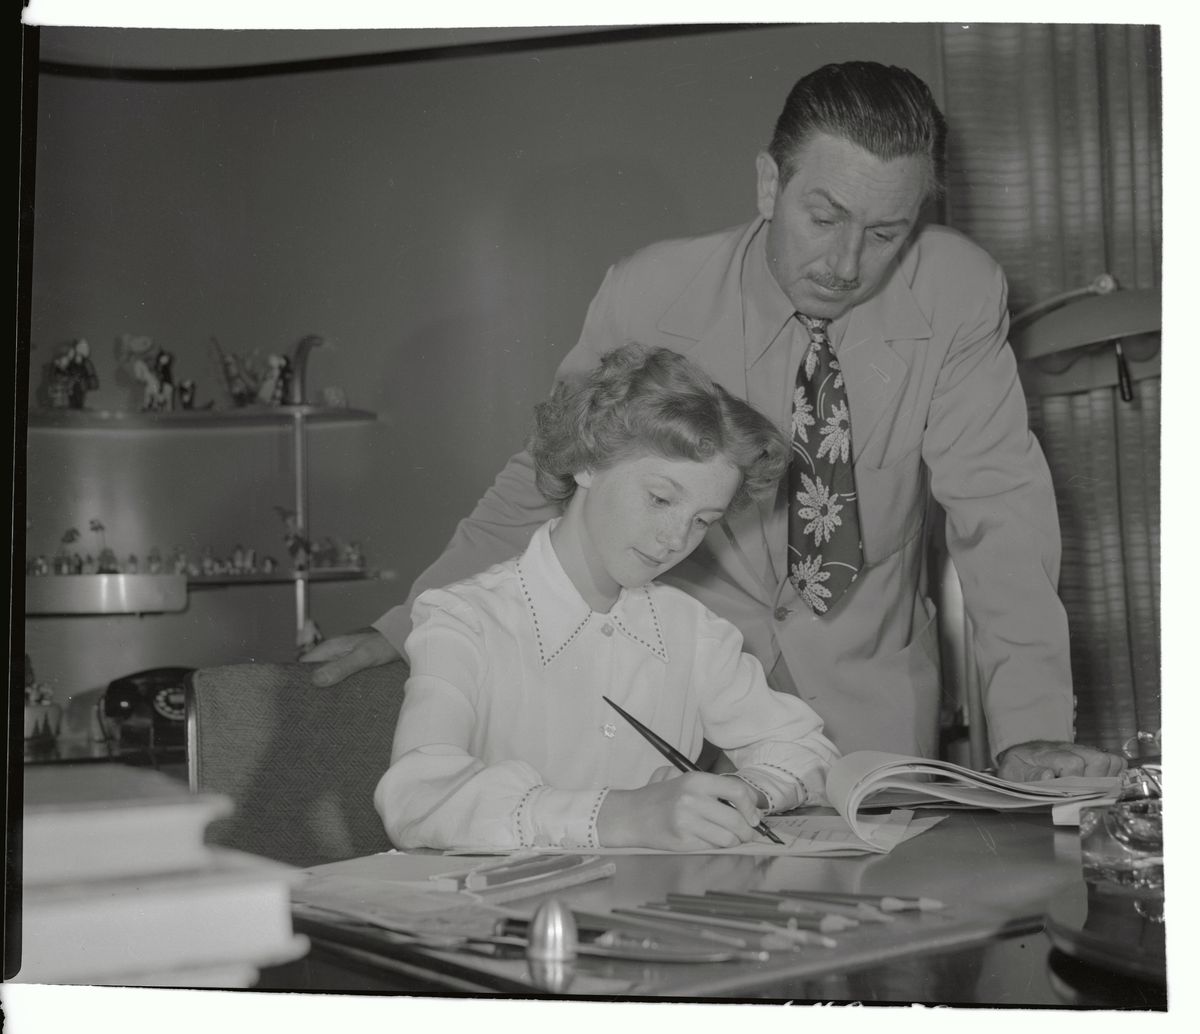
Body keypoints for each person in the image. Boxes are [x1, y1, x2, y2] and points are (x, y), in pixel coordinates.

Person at [311, 61, 1125, 783]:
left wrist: (1031, 732)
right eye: (824, 217)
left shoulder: (956, 292)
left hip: (870, 728)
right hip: (674, 715)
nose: (845, 265)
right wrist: (409, 617)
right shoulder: (651, 295)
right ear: (770, 185)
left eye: (886, 233)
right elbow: (548, 480)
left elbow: (1002, 520)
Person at [374, 345, 839, 851]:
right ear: (587, 463)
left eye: (703, 521)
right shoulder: (464, 619)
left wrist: (743, 793)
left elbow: (805, 747)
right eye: (660, 499)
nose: (675, 539)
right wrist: (613, 815)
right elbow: (416, 800)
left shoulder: (693, 630)